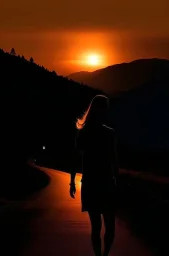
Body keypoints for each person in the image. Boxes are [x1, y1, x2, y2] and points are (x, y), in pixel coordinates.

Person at [69, 94, 119, 256]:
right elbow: (113, 160)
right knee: (107, 226)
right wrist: (117, 181)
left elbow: (76, 160)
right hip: (104, 183)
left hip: (92, 183)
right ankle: (103, 255)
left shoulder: (86, 133)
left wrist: (72, 182)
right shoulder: (107, 134)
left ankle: (100, 255)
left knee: (97, 227)